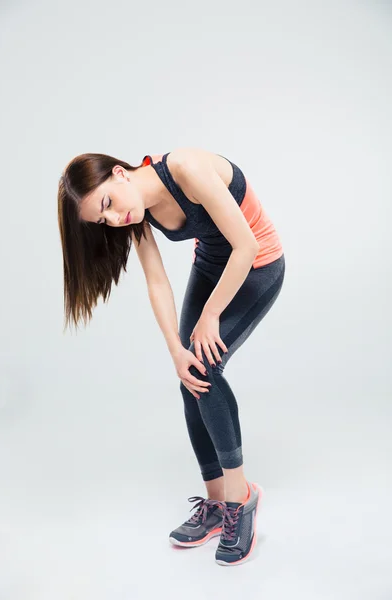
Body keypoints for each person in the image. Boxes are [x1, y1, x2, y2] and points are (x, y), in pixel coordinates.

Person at [57, 146, 285, 566]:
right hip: (213, 265)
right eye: (101, 219)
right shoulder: (137, 214)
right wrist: (174, 351)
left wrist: (212, 314)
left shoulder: (186, 167)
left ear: (120, 174)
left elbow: (247, 247)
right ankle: (217, 503)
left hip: (256, 266)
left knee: (206, 368)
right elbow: (157, 282)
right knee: (189, 374)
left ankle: (243, 497)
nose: (112, 219)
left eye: (106, 204)